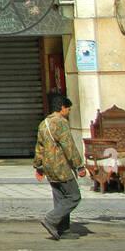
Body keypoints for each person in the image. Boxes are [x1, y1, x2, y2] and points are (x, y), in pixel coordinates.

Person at [34, 93, 88, 241]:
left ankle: (63, 230)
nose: (68, 112)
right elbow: (69, 146)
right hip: (61, 166)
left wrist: (39, 167)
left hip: (49, 167)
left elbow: (40, 147)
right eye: (68, 109)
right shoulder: (60, 123)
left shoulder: (43, 123)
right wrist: (79, 166)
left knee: (60, 197)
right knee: (74, 196)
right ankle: (51, 219)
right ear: (62, 108)